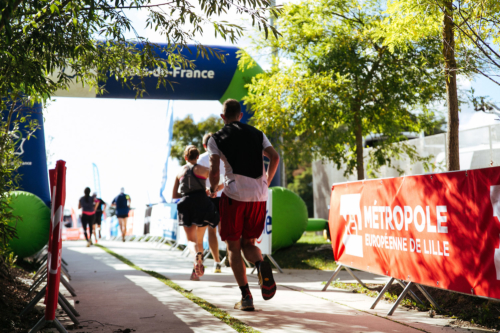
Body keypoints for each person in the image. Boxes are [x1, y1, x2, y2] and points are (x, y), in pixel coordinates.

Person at [208, 99, 280, 311]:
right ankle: (260, 265)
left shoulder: (216, 138)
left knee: (233, 246)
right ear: (241, 115)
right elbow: (274, 158)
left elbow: (213, 170)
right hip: (259, 196)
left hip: (235, 197)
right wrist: (266, 182)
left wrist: (213, 189)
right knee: (249, 243)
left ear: (223, 117)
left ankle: (246, 297)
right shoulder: (258, 133)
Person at [172, 145, 219, 281]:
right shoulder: (204, 170)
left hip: (186, 203)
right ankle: (196, 270)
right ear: (198, 156)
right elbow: (214, 183)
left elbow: (175, 195)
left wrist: (187, 191)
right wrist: (211, 191)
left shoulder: (179, 172)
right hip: (202, 202)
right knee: (200, 238)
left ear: (185, 157)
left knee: (192, 240)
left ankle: (196, 257)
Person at [198, 132, 225, 273]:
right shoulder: (224, 157)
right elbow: (227, 178)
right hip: (222, 196)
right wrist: (217, 189)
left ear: (204, 145)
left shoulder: (201, 159)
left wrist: (209, 189)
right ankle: (232, 258)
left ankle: (217, 261)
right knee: (225, 231)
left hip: (208, 198)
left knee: (211, 231)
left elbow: (197, 179)